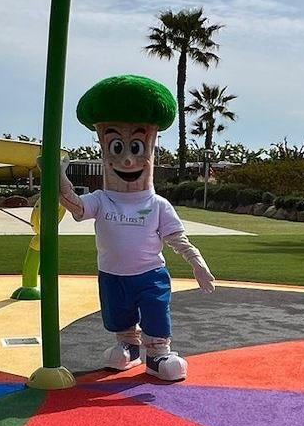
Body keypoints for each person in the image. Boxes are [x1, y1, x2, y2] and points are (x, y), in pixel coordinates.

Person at [58, 74, 216, 381]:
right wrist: (57, 176)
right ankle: (128, 347)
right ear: (104, 148)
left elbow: (177, 239)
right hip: (112, 274)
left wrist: (198, 264)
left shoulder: (157, 204)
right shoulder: (101, 199)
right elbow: (74, 205)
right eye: (117, 147)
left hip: (149, 274)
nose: (128, 160)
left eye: (137, 147)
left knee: (156, 311)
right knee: (118, 313)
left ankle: (158, 353)